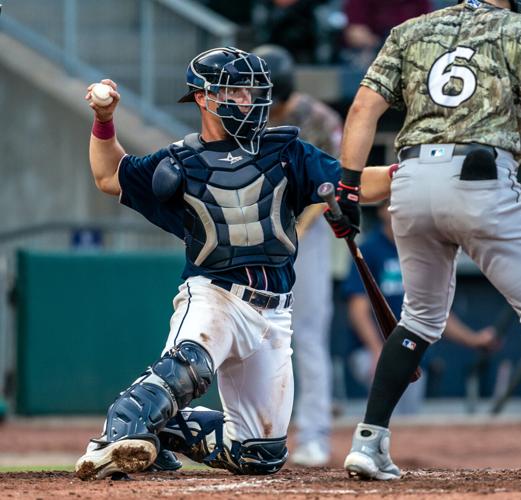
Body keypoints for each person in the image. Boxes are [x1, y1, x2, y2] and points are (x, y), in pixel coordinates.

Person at [323, 0, 521, 483]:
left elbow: (364, 106)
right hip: (480, 177)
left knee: (420, 317)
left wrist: (347, 186)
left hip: (409, 179)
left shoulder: (412, 28)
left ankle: (369, 442)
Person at [74, 47, 392, 480]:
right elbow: (109, 176)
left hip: (274, 310)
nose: (250, 100)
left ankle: (162, 431)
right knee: (191, 365)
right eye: (236, 92)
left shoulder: (289, 152)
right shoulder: (179, 162)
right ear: (204, 98)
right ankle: (121, 426)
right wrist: (105, 119)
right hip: (214, 294)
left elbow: (353, 183)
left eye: (252, 91)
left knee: (260, 455)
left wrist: (403, 176)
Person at [253, 44, 341, 467]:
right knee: (252, 333)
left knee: (306, 332)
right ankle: (254, 434)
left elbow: (328, 189)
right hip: (254, 229)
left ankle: (314, 435)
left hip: (307, 230)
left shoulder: (319, 118)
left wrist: (293, 233)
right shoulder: (242, 117)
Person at [343, 201, 498, 413]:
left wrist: (474, 340)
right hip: (370, 352)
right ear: (380, 211)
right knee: (385, 416)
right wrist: (376, 350)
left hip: (411, 351)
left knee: (408, 422)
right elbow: (357, 309)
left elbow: (435, 313)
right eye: (389, 204)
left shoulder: (420, 250)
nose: (397, 209)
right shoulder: (369, 249)